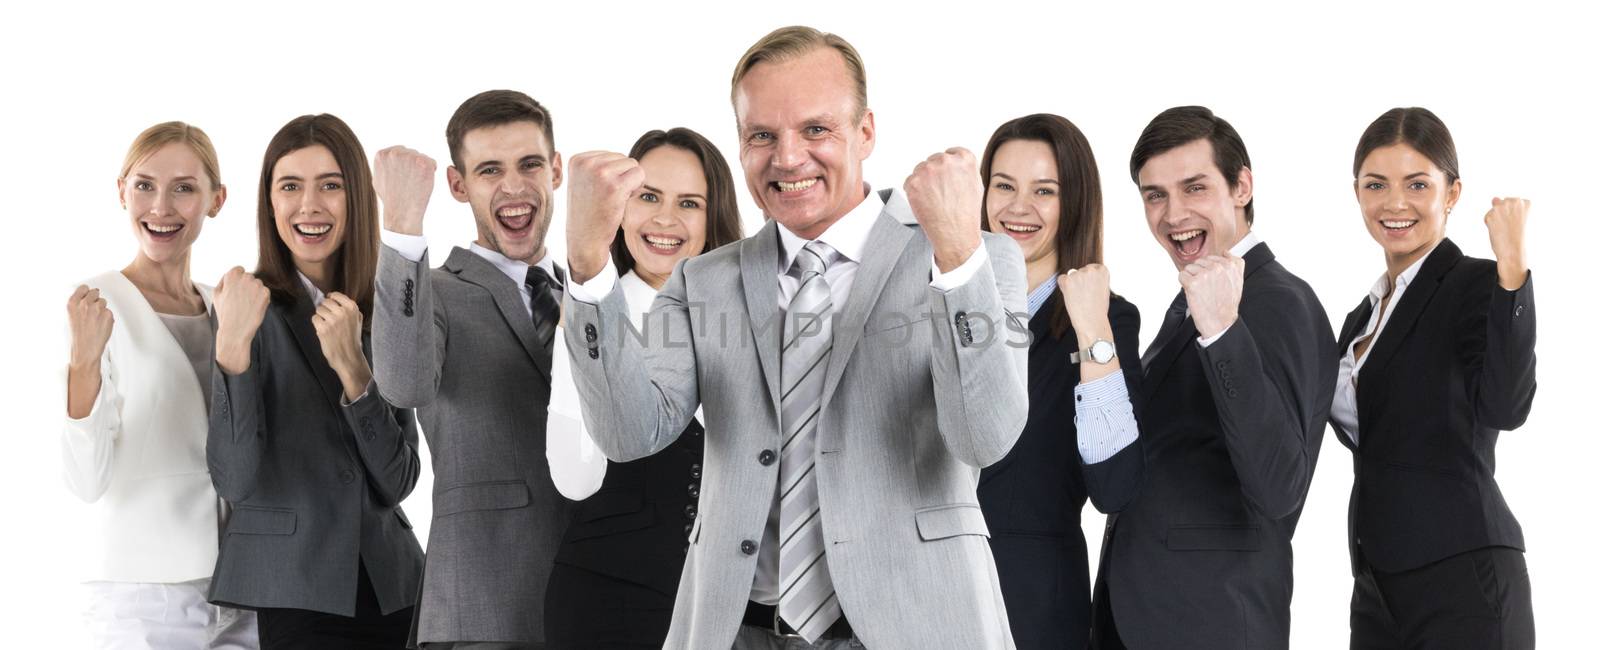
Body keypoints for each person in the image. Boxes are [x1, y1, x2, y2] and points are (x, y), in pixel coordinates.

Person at [562, 25, 1030, 649]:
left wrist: (956, 256)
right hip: (738, 630)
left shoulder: (974, 258)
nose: (786, 158)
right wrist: (591, 265)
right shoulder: (702, 281)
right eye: (762, 135)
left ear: (865, 132)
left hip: (916, 623)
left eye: (815, 129)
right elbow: (627, 432)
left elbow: (986, 436)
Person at [1081, 106, 1337, 649]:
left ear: (1241, 185)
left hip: (1212, 620)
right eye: (1155, 195)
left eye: (1193, 188)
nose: (1173, 214)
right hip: (1147, 617)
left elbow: (1279, 484)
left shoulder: (1279, 302)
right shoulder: (1188, 302)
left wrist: (1223, 330)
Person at [207, 113, 423, 649]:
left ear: (356, 198)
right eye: (290, 186)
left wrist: (355, 369)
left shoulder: (385, 309)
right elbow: (234, 479)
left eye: (331, 185)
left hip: (395, 586)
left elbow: (398, 482)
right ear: (270, 203)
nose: (310, 205)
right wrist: (232, 349)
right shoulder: (244, 305)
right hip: (295, 586)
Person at [370, 89, 573, 649]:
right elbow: (402, 384)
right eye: (489, 170)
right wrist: (403, 226)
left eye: (530, 164)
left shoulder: (591, 293)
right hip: (484, 609)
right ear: (459, 186)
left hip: (597, 602)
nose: (513, 186)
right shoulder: (430, 292)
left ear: (555, 170)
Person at [1333, 107, 1536, 649]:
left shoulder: (1474, 284)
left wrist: (1511, 273)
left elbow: (1507, 407)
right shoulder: (1361, 318)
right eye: (1376, 185)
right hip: (1377, 584)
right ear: (1358, 194)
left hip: (1462, 576)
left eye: (1417, 184)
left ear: (1451, 193)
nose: (1395, 203)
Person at [543, 126, 743, 648]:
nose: (665, 219)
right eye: (647, 196)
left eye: (690, 202)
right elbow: (574, 480)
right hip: (610, 600)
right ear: (619, 209)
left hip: (725, 604)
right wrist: (578, 343)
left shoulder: (747, 319)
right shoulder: (587, 317)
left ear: (713, 216)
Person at [63, 121, 257, 648]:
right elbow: (84, 480)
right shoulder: (94, 303)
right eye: (145, 185)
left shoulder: (226, 303)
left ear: (216, 200)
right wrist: (83, 364)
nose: (161, 207)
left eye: (184, 188)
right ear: (121, 191)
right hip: (143, 593)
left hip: (242, 588)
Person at [973, 113, 1142, 649]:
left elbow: (1115, 486)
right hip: (922, 598)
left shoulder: (1109, 323)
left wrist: (1093, 328)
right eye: (1004, 186)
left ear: (1074, 205)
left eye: (1044, 191)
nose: (1018, 208)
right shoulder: (940, 304)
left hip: (1034, 609)